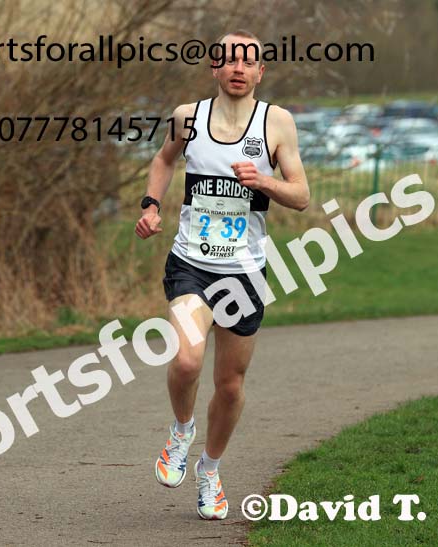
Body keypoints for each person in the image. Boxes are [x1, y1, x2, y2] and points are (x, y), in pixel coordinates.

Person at [134, 30, 309, 520]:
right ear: (214, 67)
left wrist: (265, 181)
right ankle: (181, 431)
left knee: (229, 385)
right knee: (187, 362)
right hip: (191, 261)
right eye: (229, 60)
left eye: (248, 61)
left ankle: (209, 470)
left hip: (245, 273)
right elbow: (163, 160)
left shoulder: (277, 123)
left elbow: (302, 195)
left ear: (260, 72)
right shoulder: (188, 119)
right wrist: (151, 205)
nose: (238, 68)